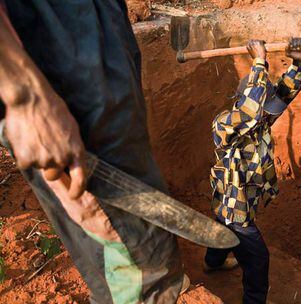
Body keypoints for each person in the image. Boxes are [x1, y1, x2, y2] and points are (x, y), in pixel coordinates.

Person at [0, 1, 184, 303]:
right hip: (55, 47)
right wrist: (25, 95)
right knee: (141, 267)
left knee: (139, 257)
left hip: (94, 27)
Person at [204, 39, 301, 303]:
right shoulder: (225, 125)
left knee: (221, 226)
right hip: (235, 208)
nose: (268, 117)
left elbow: (282, 95)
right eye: (264, 112)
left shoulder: (259, 121)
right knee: (258, 259)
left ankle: (213, 262)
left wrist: (300, 63)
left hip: (234, 199)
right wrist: (259, 62)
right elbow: (250, 111)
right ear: (243, 101)